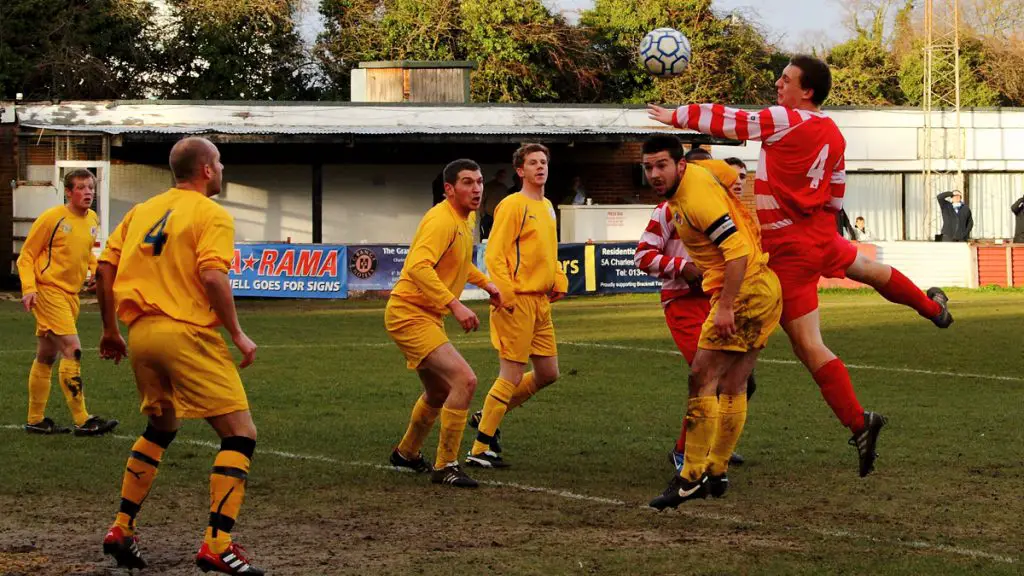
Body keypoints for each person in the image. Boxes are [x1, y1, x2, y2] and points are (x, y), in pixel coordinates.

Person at [648, 54, 953, 477]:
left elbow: (732, 120)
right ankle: (933, 308)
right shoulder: (833, 132)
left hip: (786, 249)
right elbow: (837, 187)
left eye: (786, 79)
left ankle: (855, 422)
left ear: (805, 91)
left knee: (790, 351)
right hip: (821, 233)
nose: (778, 83)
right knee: (871, 272)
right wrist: (826, 226)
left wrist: (676, 115)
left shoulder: (787, 119)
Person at [95, 137, 263, 575]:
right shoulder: (212, 214)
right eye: (220, 162)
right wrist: (238, 334)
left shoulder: (142, 210)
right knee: (240, 434)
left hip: (142, 335)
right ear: (206, 170)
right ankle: (217, 544)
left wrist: (111, 329)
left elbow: (105, 267)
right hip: (186, 333)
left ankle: (121, 527)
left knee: (161, 427)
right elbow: (212, 276)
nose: (223, 169)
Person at [639, 137, 782, 510]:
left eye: (662, 166)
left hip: (743, 291)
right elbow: (723, 170)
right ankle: (716, 471)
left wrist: (726, 307)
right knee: (734, 384)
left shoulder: (695, 200)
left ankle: (690, 476)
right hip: (765, 288)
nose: (654, 174)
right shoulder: (701, 176)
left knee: (701, 379)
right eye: (648, 167)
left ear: (680, 166)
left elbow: (735, 252)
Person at [635, 150, 756, 473]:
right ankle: (684, 451)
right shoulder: (668, 210)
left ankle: (714, 446)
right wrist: (682, 267)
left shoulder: (724, 209)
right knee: (710, 377)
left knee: (741, 381)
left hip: (717, 300)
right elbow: (642, 256)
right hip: (683, 303)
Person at [385, 159, 502, 488]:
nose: (477, 188)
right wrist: (455, 305)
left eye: (479, 181)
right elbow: (418, 267)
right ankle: (446, 464)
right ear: (449, 189)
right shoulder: (441, 221)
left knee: (438, 390)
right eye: (467, 182)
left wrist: (488, 284)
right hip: (409, 313)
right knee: (464, 381)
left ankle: (406, 454)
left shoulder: (465, 220)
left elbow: (460, 264)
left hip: (423, 314)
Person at [465, 143, 568, 469]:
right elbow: (494, 253)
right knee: (510, 374)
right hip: (516, 302)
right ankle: (480, 449)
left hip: (540, 303)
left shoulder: (549, 207)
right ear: (520, 170)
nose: (540, 167)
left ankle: (488, 415)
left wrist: (558, 276)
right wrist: (505, 293)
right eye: (533, 163)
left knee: (548, 373)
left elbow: (549, 250)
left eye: (543, 162)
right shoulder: (512, 205)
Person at [16, 169, 118, 436]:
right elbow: (26, 256)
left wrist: (95, 272)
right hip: (49, 292)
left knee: (46, 355)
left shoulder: (93, 219)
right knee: (73, 349)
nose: (88, 193)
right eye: (82, 188)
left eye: (91, 188)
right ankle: (83, 420)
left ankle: (35, 420)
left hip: (71, 295)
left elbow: (86, 253)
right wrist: (29, 288)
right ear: (69, 192)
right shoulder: (52, 218)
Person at [480, 169, 509, 239]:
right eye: (500, 175)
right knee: (485, 238)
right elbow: (481, 200)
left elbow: (507, 203)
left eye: (503, 176)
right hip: (487, 216)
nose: (502, 178)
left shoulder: (504, 188)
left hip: (499, 217)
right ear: (496, 176)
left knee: (497, 238)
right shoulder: (488, 186)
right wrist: (483, 214)